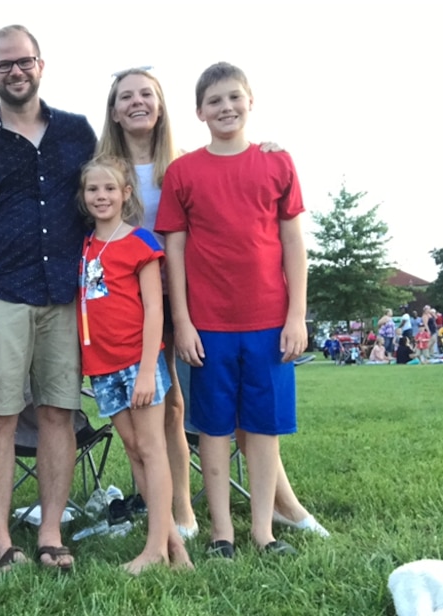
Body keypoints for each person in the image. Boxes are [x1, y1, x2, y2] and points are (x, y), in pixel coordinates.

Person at [98, 67, 328, 542]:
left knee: (213, 411)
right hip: (144, 304)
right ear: (114, 110)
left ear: (164, 106)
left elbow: (268, 216)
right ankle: (181, 513)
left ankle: (276, 509)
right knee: (167, 408)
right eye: (126, 96)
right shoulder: (103, 169)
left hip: (208, 301)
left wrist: (296, 313)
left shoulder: (183, 162)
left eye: (147, 94)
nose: (137, 102)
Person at [0, 24, 96, 572]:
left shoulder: (79, 133)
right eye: (3, 64)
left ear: (41, 64)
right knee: (0, 420)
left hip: (64, 295)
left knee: (60, 414)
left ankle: (50, 533)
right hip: (0, 296)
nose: (15, 71)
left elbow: (117, 181)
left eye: (23, 61)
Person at [156, 62, 307, 558]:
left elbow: (292, 242)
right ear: (199, 112)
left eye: (234, 98)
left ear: (250, 101)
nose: (226, 108)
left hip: (269, 323)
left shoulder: (277, 163)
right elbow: (173, 250)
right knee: (214, 429)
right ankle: (223, 532)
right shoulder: (184, 171)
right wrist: (182, 321)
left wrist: (296, 315)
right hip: (208, 325)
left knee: (263, 431)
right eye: (215, 101)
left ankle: (263, 531)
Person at [76, 156, 191, 573]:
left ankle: (155, 548)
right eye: (93, 189)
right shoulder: (86, 246)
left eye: (110, 188)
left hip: (136, 363)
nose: (101, 196)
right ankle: (174, 546)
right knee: (133, 449)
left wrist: (147, 369)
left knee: (151, 448)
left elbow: (154, 312)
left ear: (126, 193)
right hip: (102, 367)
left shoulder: (141, 243)